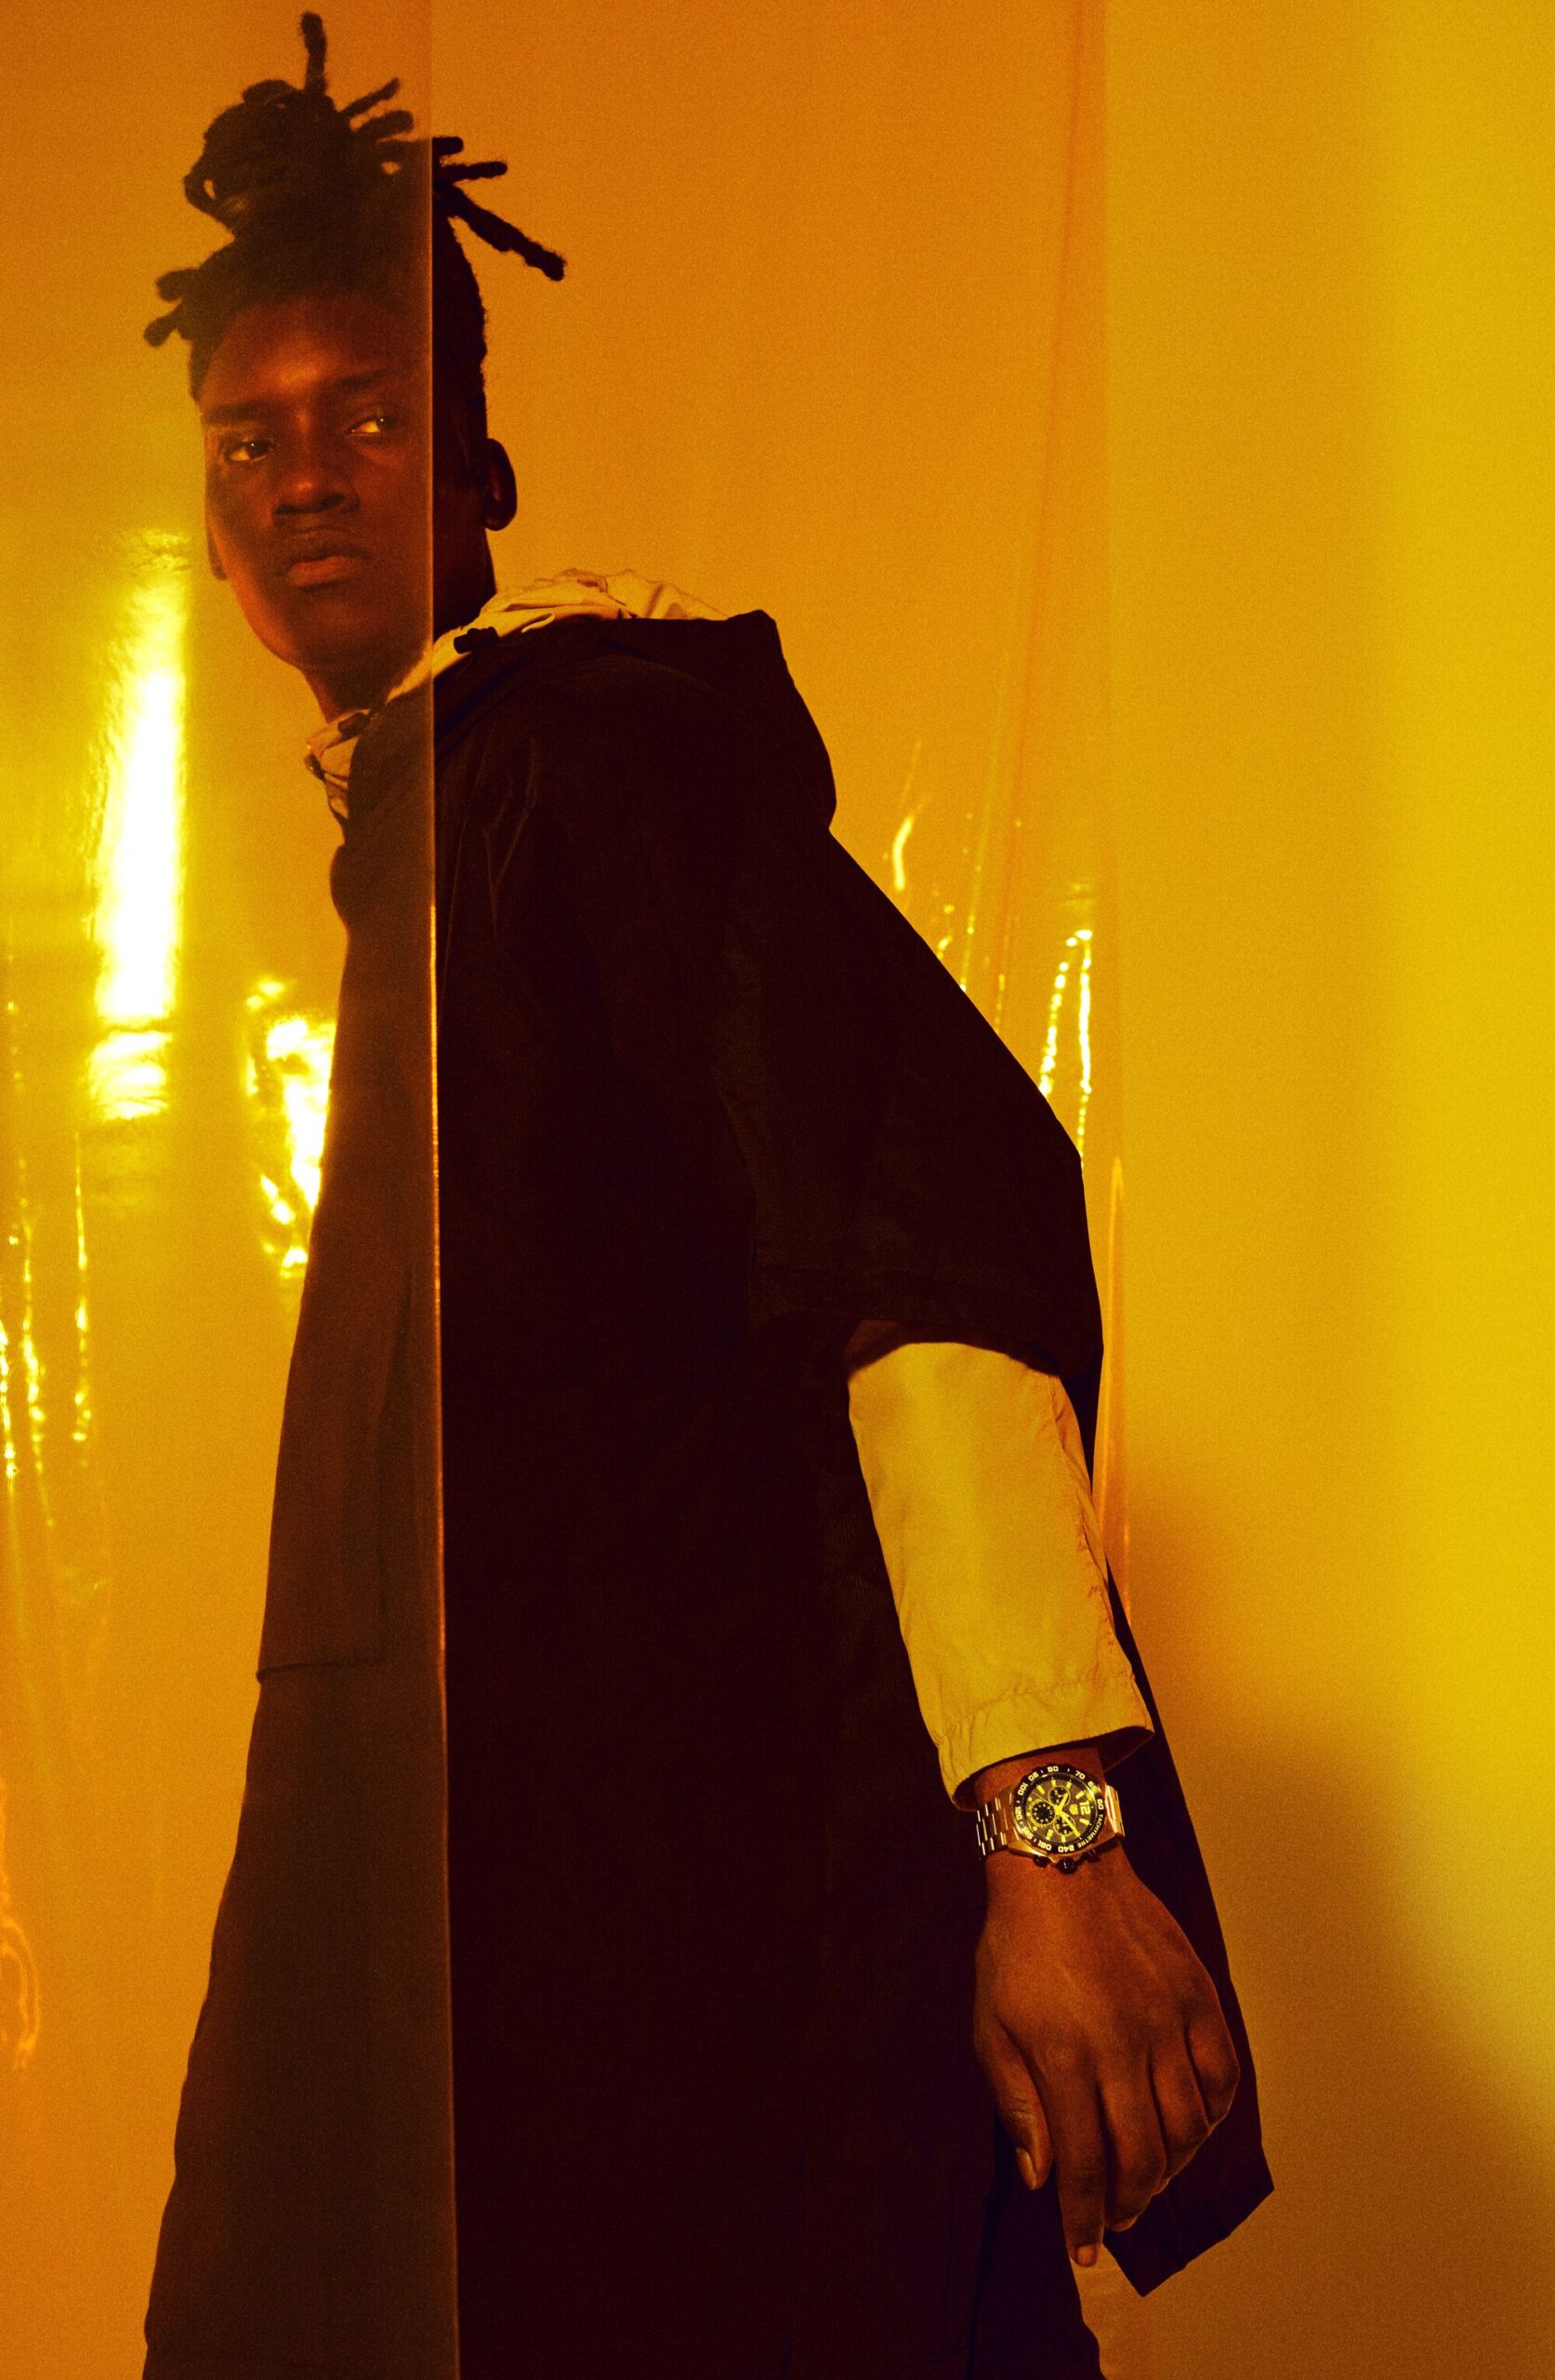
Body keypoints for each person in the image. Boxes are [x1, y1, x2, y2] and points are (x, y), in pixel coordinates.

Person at [141, 19, 1271, 2379]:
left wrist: (1054, 1835)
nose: (304, 478)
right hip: (540, 1990)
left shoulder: (597, 769)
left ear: (479, 465)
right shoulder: (435, 821)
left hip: (717, 1991)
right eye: (249, 438)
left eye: (368, 416)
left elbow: (916, 1231)